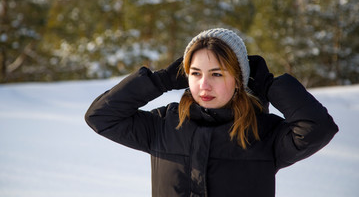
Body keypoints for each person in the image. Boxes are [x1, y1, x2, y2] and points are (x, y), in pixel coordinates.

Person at [85, 28, 338, 197]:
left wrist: (272, 86)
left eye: (216, 74)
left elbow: (318, 128)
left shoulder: (265, 133)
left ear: (239, 78)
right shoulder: (164, 125)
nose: (203, 85)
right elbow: (101, 116)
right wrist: (159, 80)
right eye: (195, 73)